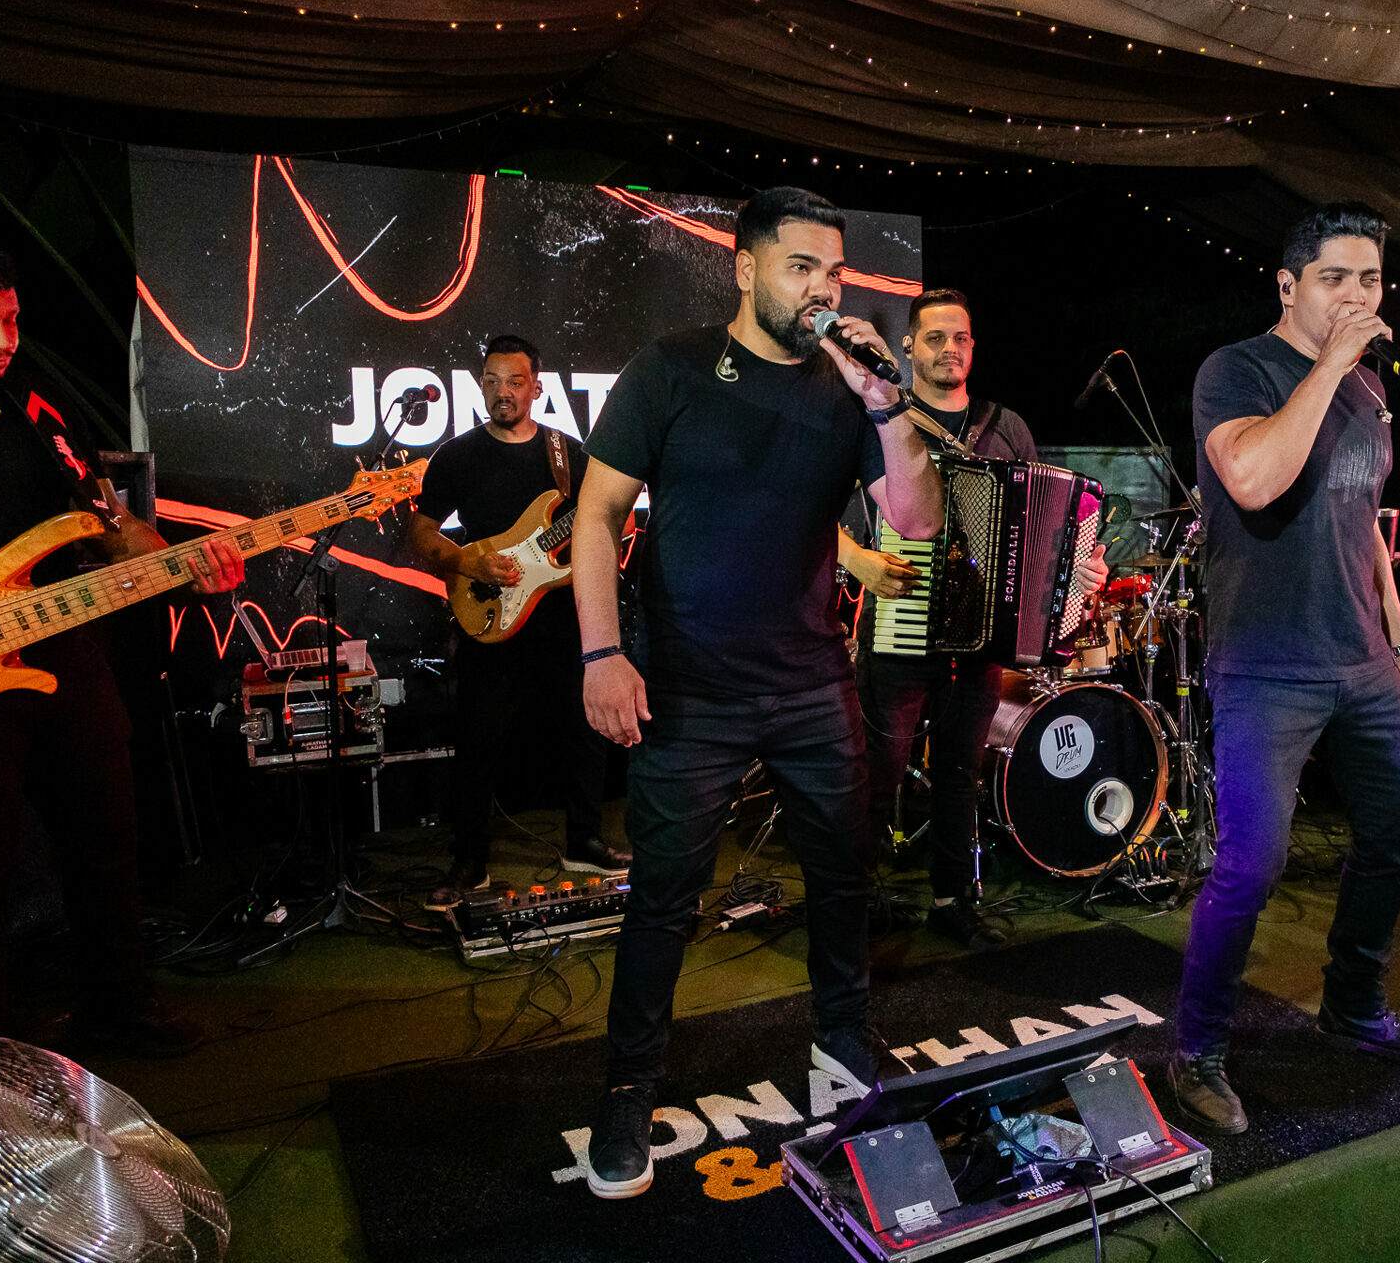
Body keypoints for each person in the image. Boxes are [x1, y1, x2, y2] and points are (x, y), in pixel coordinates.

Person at [568, 187, 942, 1199]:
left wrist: (889, 406)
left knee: (843, 872)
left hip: (812, 679)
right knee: (664, 898)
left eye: (834, 272)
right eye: (800, 267)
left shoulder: (850, 388)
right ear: (744, 268)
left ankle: (842, 1038)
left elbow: (915, 520)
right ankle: (628, 1088)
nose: (823, 290)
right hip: (690, 686)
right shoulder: (671, 367)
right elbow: (596, 516)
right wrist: (602, 653)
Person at [1175, 201, 1400, 1137]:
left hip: (1362, 657)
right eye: (1335, 278)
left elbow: (1363, 520)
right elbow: (1254, 480)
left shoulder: (1369, 389)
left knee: (1397, 837)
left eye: (1369, 279)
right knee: (1251, 864)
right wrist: (1331, 364)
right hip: (1266, 662)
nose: (1356, 296)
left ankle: (1353, 1004)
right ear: (1288, 284)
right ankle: (1197, 1050)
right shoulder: (1237, 370)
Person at [0, 217, 244, 1051]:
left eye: (11, 319)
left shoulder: (32, 401)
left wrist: (182, 563)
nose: (3, 339)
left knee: (107, 833)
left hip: (58, 643)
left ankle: (123, 1007)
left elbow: (106, 523)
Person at [839, 289, 1106, 951]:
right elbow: (815, 510)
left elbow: (1044, 529)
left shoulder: (1005, 427)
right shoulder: (880, 415)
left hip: (982, 636)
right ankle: (852, 903)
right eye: (935, 338)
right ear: (908, 347)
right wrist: (859, 560)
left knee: (961, 774)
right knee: (878, 773)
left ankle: (952, 900)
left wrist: (1080, 569)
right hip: (900, 625)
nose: (949, 349)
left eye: (960, 337)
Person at [407, 334, 629, 910]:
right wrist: (466, 561)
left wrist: (615, 521)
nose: (501, 392)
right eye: (491, 382)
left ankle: (584, 841)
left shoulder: (566, 453)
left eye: (514, 381)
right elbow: (421, 533)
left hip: (560, 616)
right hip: (490, 616)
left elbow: (607, 519)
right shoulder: (457, 455)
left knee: (585, 729)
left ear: (536, 387)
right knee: (478, 740)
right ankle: (470, 858)